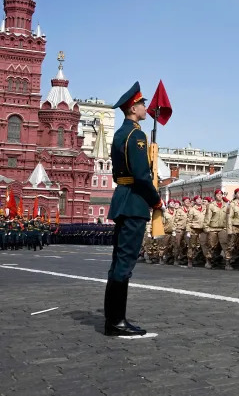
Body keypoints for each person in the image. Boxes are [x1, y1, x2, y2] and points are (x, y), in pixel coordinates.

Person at [104, 81, 165, 337]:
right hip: (135, 201)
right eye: (141, 103)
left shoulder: (120, 134)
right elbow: (141, 175)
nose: (144, 107)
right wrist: (156, 200)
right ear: (133, 108)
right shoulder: (136, 135)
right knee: (125, 263)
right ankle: (116, 322)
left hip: (122, 198)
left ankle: (114, 319)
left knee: (118, 261)